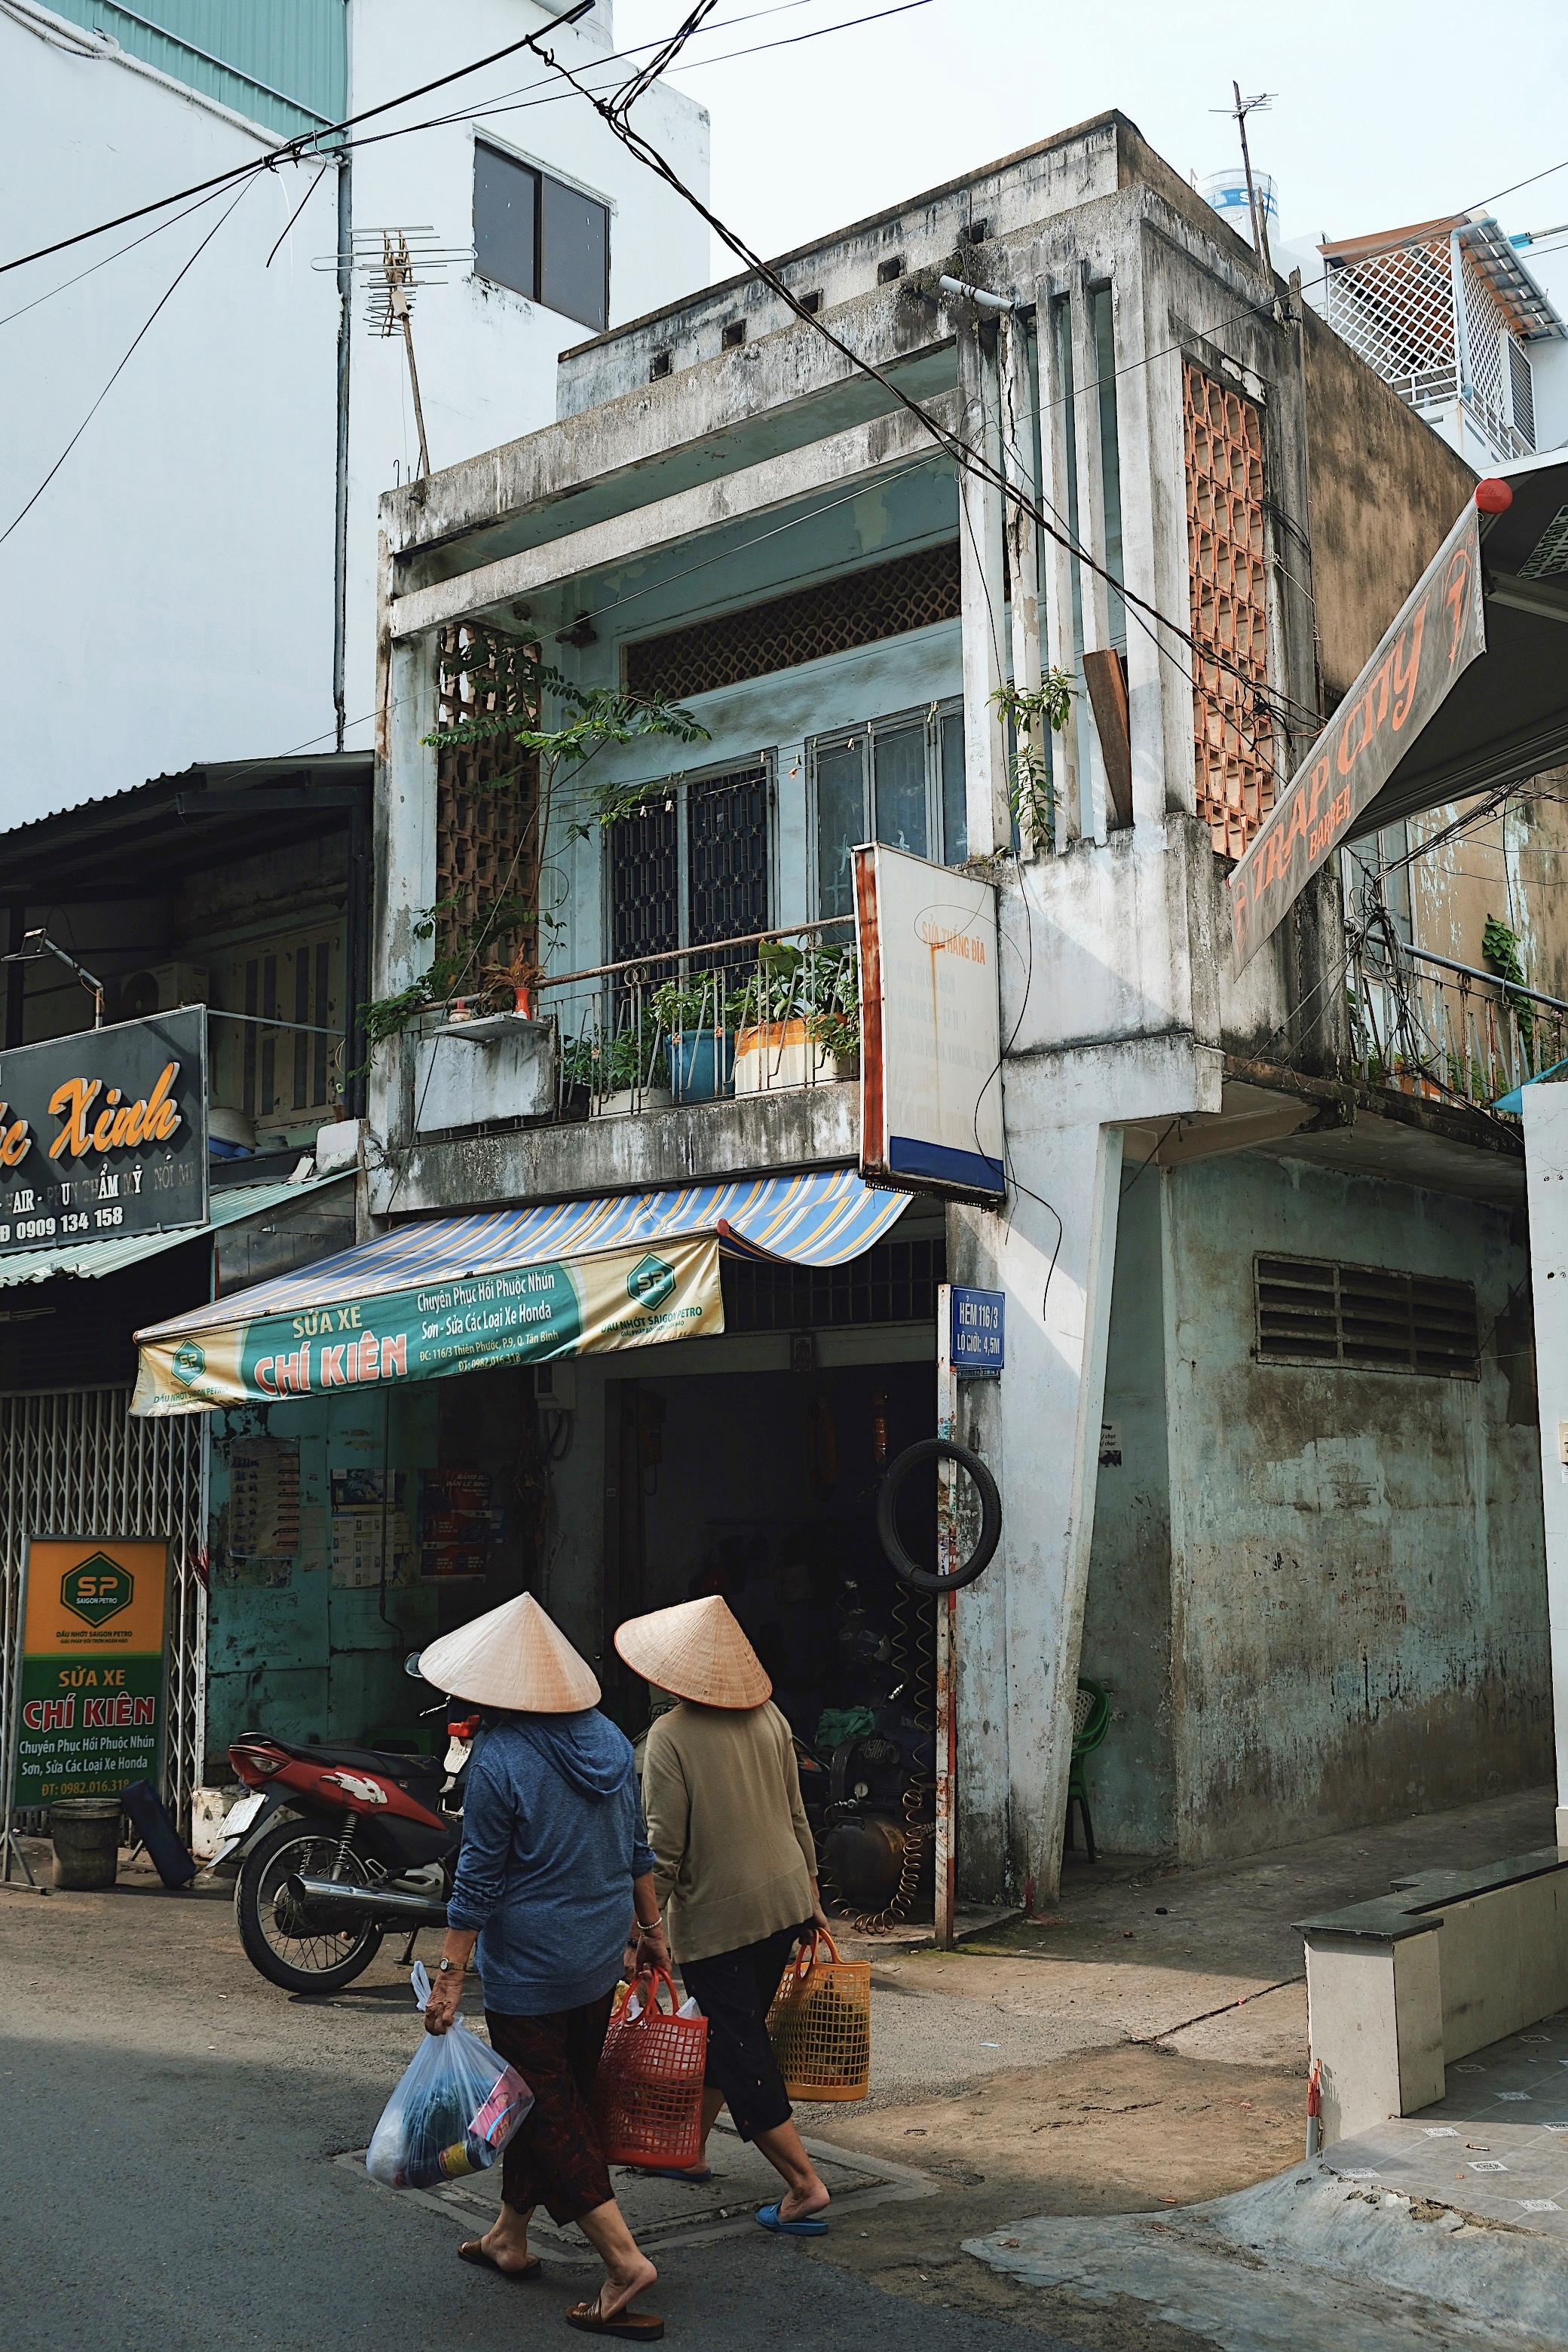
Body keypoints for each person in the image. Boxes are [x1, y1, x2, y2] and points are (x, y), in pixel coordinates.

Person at [418, 1591, 668, 2341]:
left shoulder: (500, 1761)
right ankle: (508, 2234)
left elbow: (480, 1881)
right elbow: (636, 1849)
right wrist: (651, 1928)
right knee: (536, 2096)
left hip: (529, 1967)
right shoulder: (612, 1742)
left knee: (555, 2113)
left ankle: (624, 2262)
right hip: (596, 1955)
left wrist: (451, 1973)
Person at [614, 1594, 833, 2236]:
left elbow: (664, 1849)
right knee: (727, 2030)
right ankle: (691, 2149)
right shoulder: (770, 1716)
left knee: (742, 2050)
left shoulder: (670, 1738)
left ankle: (803, 2185)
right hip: (785, 1901)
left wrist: (646, 1931)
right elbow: (798, 1818)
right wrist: (813, 1898)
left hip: (720, 1923)